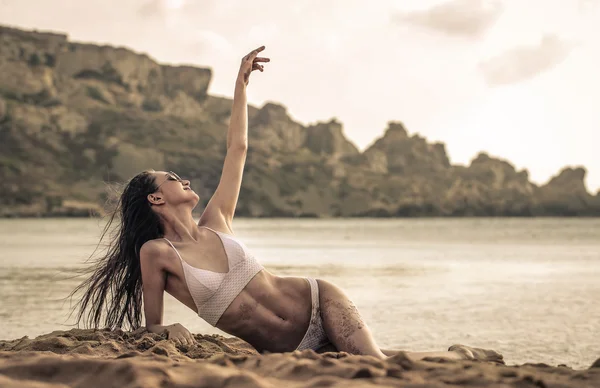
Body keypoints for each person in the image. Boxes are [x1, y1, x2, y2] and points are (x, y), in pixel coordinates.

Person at [72, 46, 504, 364]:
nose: (184, 179)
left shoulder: (216, 221)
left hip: (319, 300)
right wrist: (170, 328)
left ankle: (461, 354)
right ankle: (462, 355)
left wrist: (239, 87)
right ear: (156, 198)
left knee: (377, 367)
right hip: (287, 351)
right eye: (172, 179)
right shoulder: (158, 254)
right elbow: (153, 325)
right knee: (384, 361)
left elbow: (237, 149)